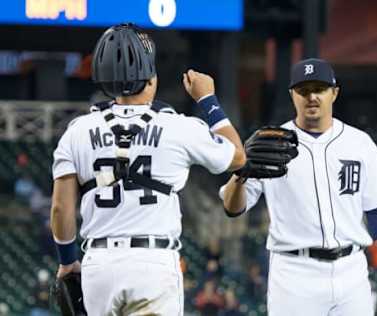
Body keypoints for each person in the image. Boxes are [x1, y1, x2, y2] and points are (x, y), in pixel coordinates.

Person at [50, 23, 245, 315]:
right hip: (152, 264)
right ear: (150, 78)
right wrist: (208, 100)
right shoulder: (177, 126)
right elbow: (238, 157)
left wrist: (67, 262)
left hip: (98, 266)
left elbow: (60, 209)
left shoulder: (77, 130)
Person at [220, 58, 377, 315]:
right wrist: (241, 172)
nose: (311, 96)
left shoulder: (359, 143)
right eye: (303, 90)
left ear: (334, 93)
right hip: (294, 273)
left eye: (319, 89)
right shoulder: (271, 143)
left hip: (351, 271)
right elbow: (233, 208)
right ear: (292, 95)